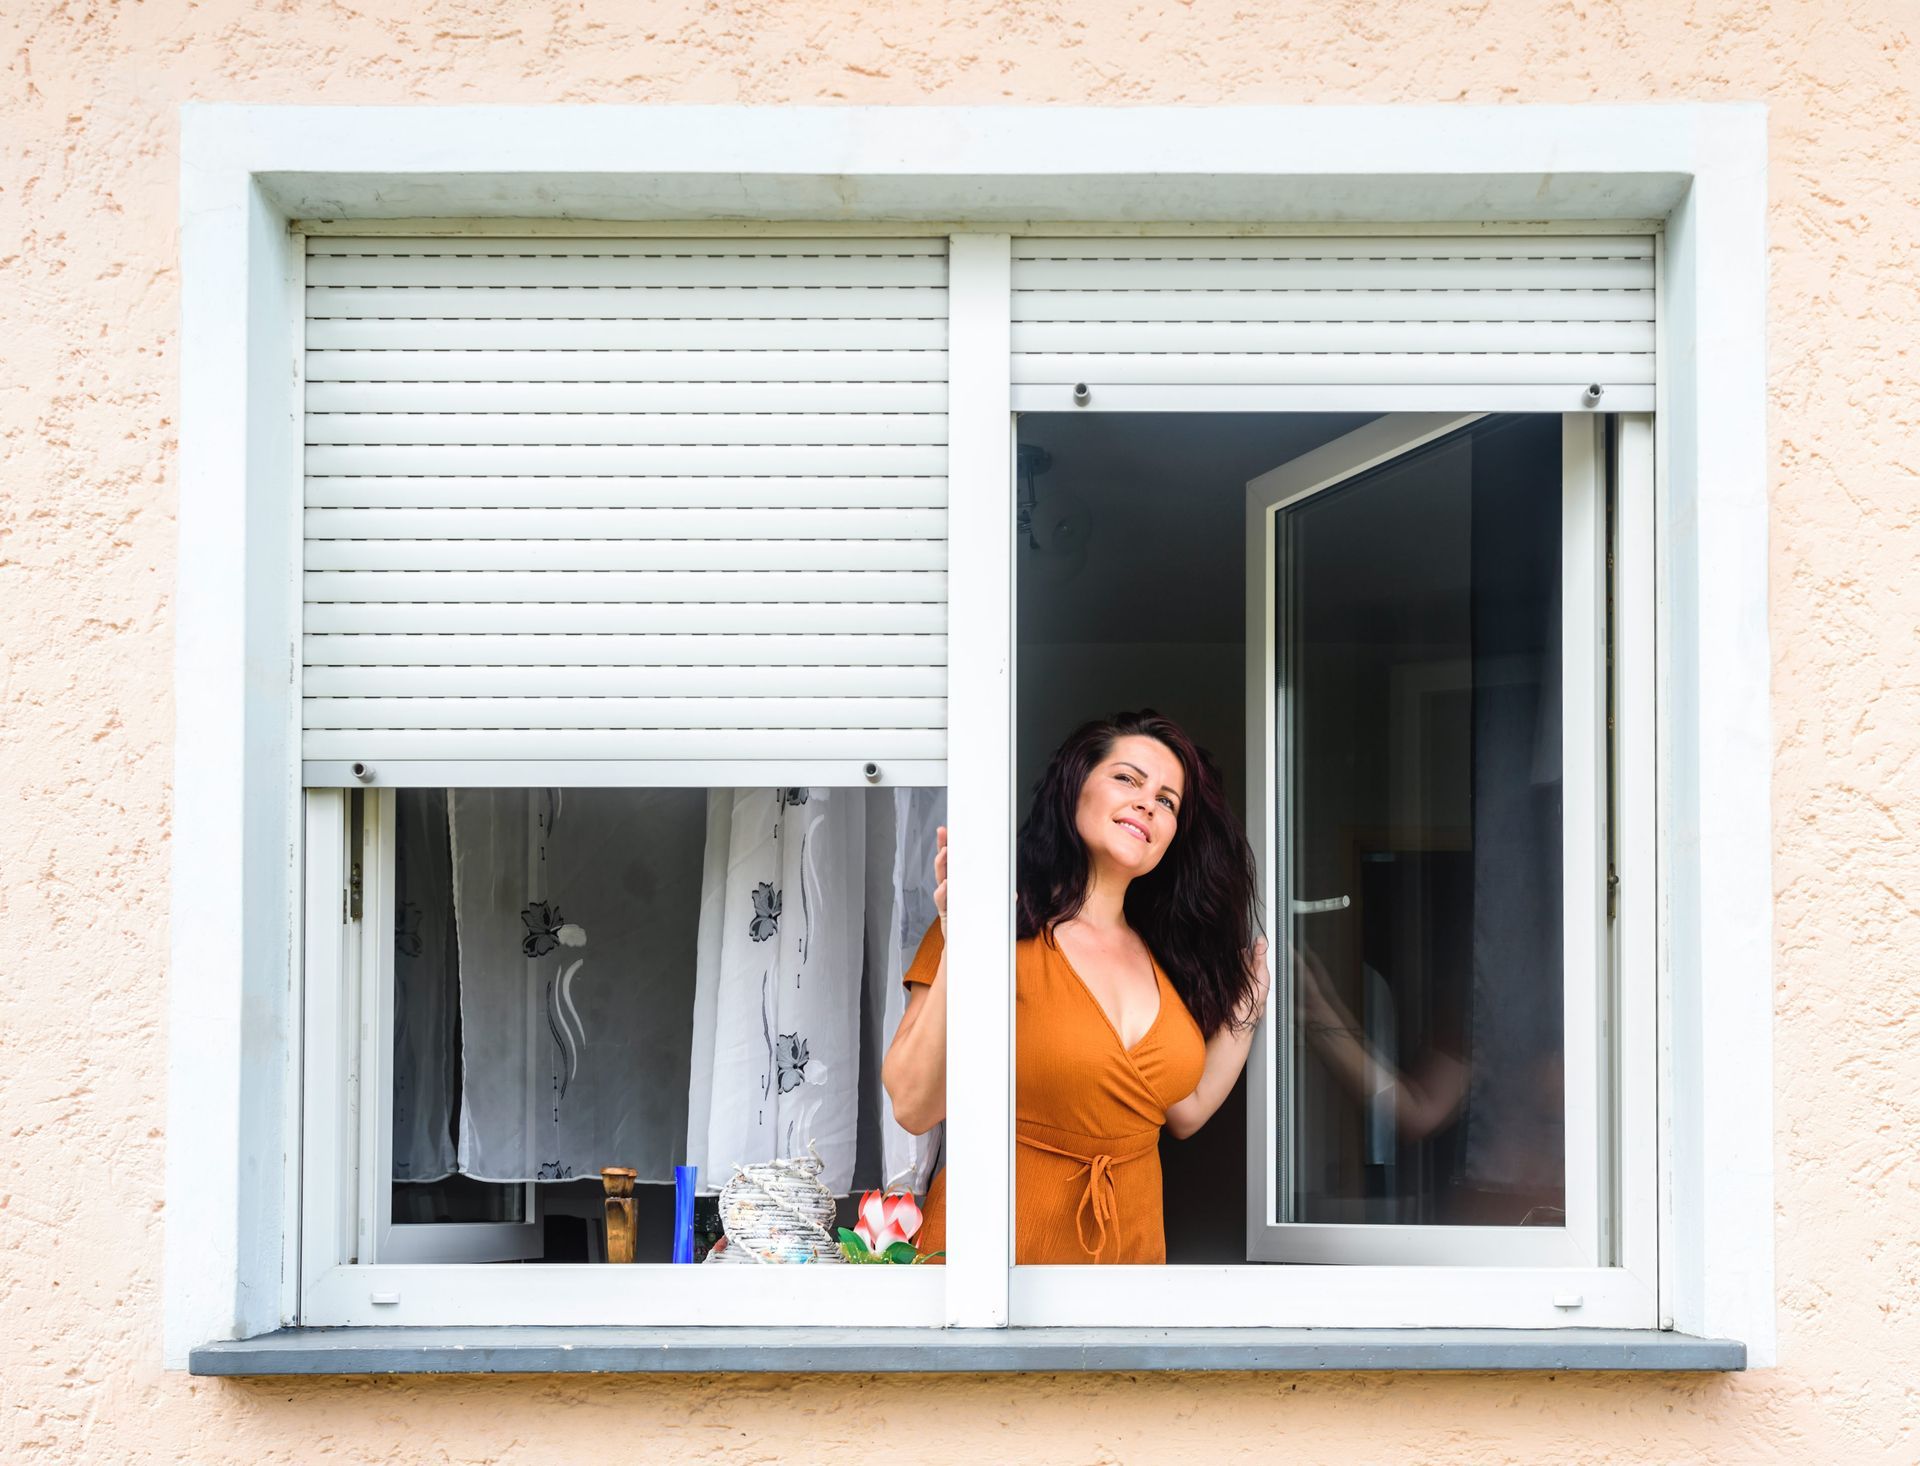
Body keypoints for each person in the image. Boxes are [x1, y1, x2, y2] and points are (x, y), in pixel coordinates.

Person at [881, 709, 1270, 1263]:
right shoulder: (995, 923)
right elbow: (914, 1106)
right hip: (998, 1268)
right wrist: (964, 943)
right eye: (1127, 779)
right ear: (1074, 786)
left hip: (1130, 1272)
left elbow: (1183, 1110)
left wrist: (1249, 1008)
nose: (1147, 803)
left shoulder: (1170, 958)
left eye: (1166, 801)